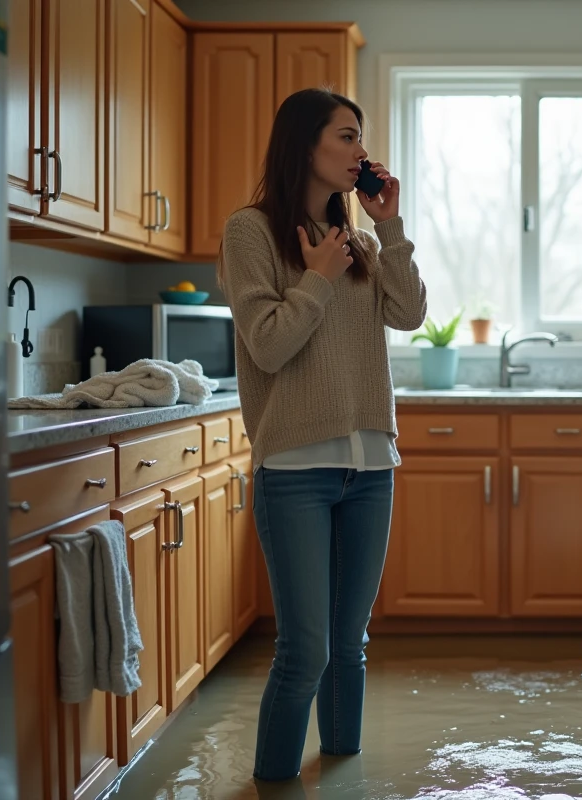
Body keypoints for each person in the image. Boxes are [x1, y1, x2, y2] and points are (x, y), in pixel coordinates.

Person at [217, 88, 428, 782]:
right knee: (305, 650)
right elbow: (269, 345)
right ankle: (274, 783)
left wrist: (389, 229)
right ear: (304, 144)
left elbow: (410, 314)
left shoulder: (358, 243)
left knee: (349, 646)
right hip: (295, 471)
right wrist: (315, 280)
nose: (361, 150)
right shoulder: (250, 232)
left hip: (371, 468)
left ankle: (343, 774)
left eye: (360, 137)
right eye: (346, 135)